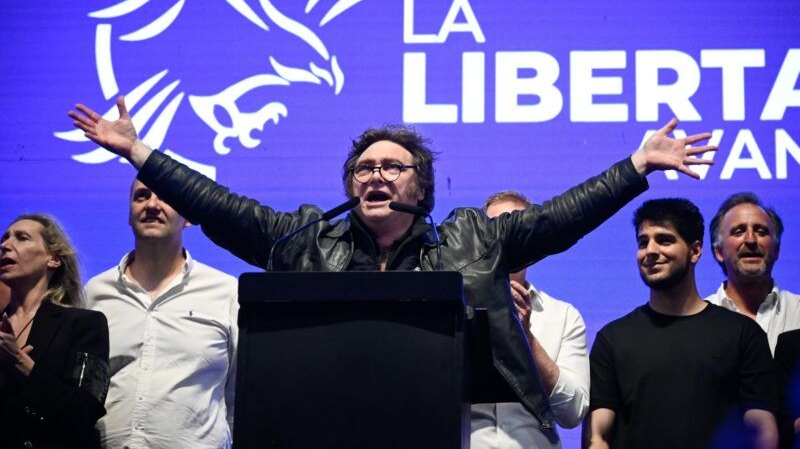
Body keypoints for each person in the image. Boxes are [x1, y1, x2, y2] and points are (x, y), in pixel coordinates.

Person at [69, 96, 714, 426]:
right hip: (325, 424)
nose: (375, 175)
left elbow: (558, 219)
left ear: (419, 187)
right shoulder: (304, 239)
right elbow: (221, 207)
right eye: (363, 167)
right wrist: (142, 155)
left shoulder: (470, 239)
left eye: (391, 166)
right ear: (351, 184)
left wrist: (636, 167)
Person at [584, 198, 778, 449]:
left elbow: (762, 431)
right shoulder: (613, 339)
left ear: (695, 251)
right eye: (643, 242)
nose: (650, 251)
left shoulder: (743, 334)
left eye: (664, 240)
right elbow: (596, 437)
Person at [84, 179, 239, 448]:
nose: (152, 205)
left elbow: (239, 394)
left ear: (188, 216)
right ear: (129, 215)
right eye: (141, 197)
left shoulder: (225, 290)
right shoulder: (96, 291)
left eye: (165, 197)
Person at [471, 191, 589, 449]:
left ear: (535, 242)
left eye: (517, 229)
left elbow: (572, 414)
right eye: (496, 228)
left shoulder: (563, 315)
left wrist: (526, 338)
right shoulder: (455, 308)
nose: (505, 238)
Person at [0, 214, 110, 449]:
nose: (5, 245)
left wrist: (20, 362)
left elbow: (84, 412)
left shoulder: (86, 325)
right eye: (5, 238)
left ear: (53, 258)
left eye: (22, 238)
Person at [706, 192, 799, 354]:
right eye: (738, 231)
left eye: (761, 231)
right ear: (719, 251)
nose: (751, 240)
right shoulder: (699, 320)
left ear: (776, 250)